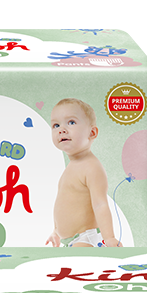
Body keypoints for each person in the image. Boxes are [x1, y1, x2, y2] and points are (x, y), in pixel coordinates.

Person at [44, 98, 121, 248]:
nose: (61, 129)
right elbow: (65, 204)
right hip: (71, 240)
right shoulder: (71, 167)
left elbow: (100, 204)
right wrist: (56, 232)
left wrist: (109, 238)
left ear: (92, 132)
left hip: (86, 238)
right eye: (56, 125)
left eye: (71, 122)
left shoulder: (91, 167)